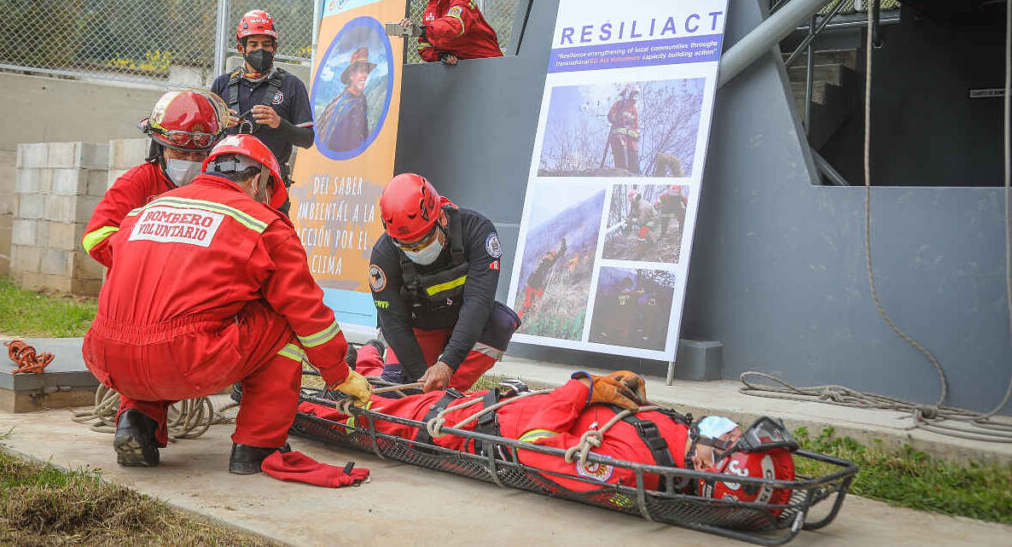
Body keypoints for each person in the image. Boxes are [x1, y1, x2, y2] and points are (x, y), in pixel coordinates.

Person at [81, 135, 370, 474]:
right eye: (267, 192)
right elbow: (307, 312)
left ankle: (135, 422)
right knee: (282, 319)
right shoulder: (265, 224)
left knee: (151, 322)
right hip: (186, 359)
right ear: (258, 180)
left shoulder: (150, 208)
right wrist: (337, 372)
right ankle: (257, 445)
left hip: (107, 357)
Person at [298, 369, 796, 501]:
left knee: (366, 411)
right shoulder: (676, 439)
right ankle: (365, 364)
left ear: (710, 466)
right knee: (379, 388)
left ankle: (283, 402)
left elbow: (535, 447)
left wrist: (582, 389)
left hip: (467, 425)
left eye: (726, 435)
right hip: (497, 404)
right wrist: (612, 387)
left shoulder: (624, 472)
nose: (722, 426)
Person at [355, 173, 520, 392]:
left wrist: (446, 366)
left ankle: (449, 393)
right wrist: (419, 380)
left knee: (500, 323)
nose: (417, 250)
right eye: (407, 246)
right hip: (419, 328)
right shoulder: (384, 254)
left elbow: (478, 303)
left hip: (463, 323)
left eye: (423, 241)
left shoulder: (477, 231)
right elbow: (393, 323)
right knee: (395, 394)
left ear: (441, 219)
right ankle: (367, 354)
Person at [83, 90, 229, 268]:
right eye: (181, 153)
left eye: (199, 155)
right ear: (160, 149)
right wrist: (149, 259)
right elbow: (96, 238)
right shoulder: (137, 182)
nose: (191, 161)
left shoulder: (219, 189)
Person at [211, 9, 314, 212]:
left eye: (266, 44)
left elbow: (307, 139)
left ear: (275, 48)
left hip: (271, 187)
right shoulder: (222, 85)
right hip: (225, 184)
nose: (261, 50)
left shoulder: (292, 86)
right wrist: (219, 125)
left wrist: (279, 123)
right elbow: (204, 137)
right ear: (241, 47)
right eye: (254, 44)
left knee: (271, 241)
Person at [398, 0, 503, 65]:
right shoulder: (431, 8)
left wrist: (423, 30)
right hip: (460, 69)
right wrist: (440, 56)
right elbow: (424, 48)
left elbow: (454, 24)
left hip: (488, 63)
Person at [315, 47, 375, 153]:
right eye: (361, 71)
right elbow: (328, 139)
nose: (365, 76)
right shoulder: (340, 106)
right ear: (351, 75)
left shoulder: (361, 102)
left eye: (366, 72)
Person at [518, 237, 566, 318]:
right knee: (529, 302)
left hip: (536, 285)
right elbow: (558, 255)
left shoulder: (547, 262)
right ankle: (521, 316)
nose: (550, 256)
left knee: (536, 300)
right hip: (533, 286)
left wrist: (563, 244)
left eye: (552, 256)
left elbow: (559, 254)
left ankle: (530, 314)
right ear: (548, 255)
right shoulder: (545, 262)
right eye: (550, 255)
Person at [608, 86, 640, 174]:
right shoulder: (618, 105)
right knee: (622, 160)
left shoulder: (634, 109)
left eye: (635, 95)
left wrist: (636, 134)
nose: (634, 97)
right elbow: (610, 116)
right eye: (633, 94)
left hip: (631, 138)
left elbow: (636, 125)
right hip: (619, 136)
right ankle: (622, 172)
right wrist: (616, 118)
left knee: (634, 158)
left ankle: (635, 174)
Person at [627, 190, 657, 258]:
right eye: (630, 199)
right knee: (643, 229)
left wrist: (631, 221)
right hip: (645, 218)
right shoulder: (635, 203)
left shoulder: (643, 207)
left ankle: (640, 253)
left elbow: (641, 221)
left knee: (642, 232)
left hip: (652, 220)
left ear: (636, 197)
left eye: (631, 199)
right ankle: (651, 243)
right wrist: (630, 217)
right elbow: (635, 213)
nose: (631, 201)